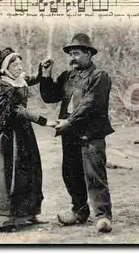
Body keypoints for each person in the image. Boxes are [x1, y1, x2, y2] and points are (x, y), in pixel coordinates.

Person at [39, 33, 115, 233]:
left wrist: (69, 122)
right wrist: (46, 75)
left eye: (77, 53)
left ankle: (103, 216)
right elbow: (49, 96)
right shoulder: (67, 76)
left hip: (91, 134)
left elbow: (89, 104)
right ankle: (79, 212)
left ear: (89, 54)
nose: (72, 58)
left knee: (94, 174)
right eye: (70, 54)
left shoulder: (100, 76)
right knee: (70, 173)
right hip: (69, 134)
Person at [0, 47, 56, 231]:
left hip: (22, 134)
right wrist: (44, 121)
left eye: (20, 63)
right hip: (5, 137)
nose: (20, 67)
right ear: (6, 68)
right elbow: (18, 110)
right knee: (6, 175)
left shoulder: (16, 80)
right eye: (16, 64)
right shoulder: (2, 87)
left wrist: (42, 70)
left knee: (29, 170)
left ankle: (28, 213)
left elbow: (30, 79)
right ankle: (4, 218)